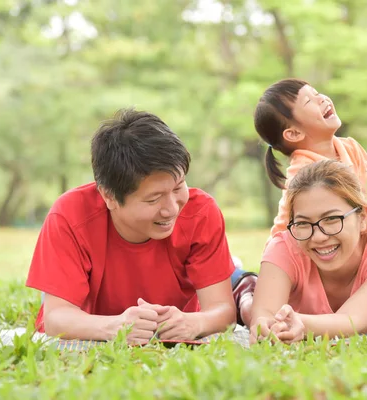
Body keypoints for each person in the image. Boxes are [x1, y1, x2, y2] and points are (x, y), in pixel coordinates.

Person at [26, 108, 240, 344]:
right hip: (92, 327)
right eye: (153, 198)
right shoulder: (69, 216)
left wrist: (195, 323)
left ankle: (239, 276)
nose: (171, 209)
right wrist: (114, 327)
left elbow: (222, 311)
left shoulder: (201, 213)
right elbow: (56, 317)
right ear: (109, 197)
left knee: (237, 281)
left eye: (178, 187)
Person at [242, 78, 367, 327]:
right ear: (293, 133)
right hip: (300, 248)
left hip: (350, 231)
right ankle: (246, 293)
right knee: (257, 311)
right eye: (309, 101)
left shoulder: (351, 149)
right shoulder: (303, 173)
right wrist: (281, 269)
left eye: (317, 93)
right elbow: (297, 230)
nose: (322, 98)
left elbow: (357, 195)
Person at [250, 160, 367, 343]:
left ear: (362, 218)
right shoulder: (284, 247)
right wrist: (266, 325)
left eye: (331, 219)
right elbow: (264, 313)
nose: (318, 237)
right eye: (303, 223)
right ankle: (244, 287)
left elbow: (352, 320)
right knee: (247, 304)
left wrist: (298, 323)